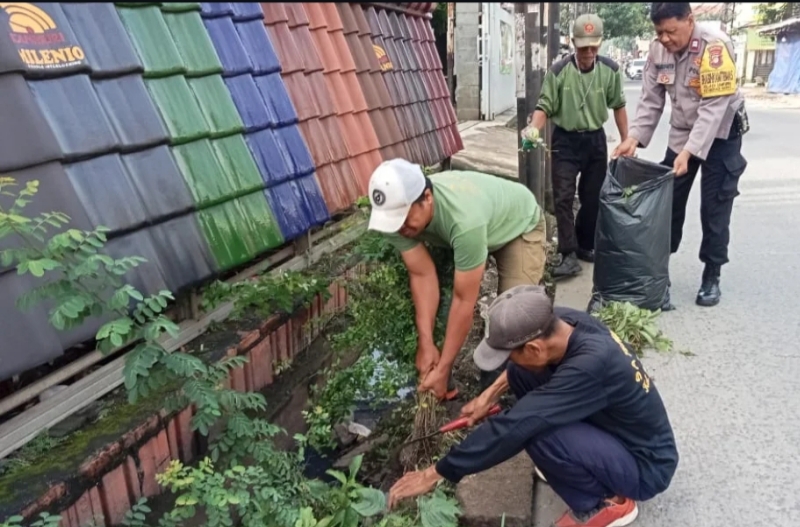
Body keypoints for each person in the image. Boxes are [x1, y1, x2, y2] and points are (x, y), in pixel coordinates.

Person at [387, 285, 679, 527]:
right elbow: (520, 371)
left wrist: (433, 473)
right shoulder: (562, 323)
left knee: (534, 430)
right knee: (524, 374)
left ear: (534, 347)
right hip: (614, 428)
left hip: (645, 467)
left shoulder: (591, 365)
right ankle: (569, 462)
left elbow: (514, 426)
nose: (507, 362)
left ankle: (604, 504)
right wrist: (487, 397)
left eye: (509, 355)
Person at [367, 158, 546, 399]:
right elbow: (422, 274)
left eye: (403, 218)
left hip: (519, 224)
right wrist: (426, 343)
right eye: (393, 220)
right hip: (480, 224)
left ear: (427, 198)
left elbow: (464, 301)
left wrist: (443, 368)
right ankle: (444, 379)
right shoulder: (392, 216)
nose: (399, 227)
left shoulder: (464, 221)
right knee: (442, 312)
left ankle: (499, 392)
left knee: (512, 319)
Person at [613, 2, 749, 308]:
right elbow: (651, 101)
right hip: (682, 132)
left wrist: (689, 153)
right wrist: (634, 137)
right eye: (658, 31)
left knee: (715, 207)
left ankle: (711, 274)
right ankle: (659, 273)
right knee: (667, 203)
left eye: (670, 31)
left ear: (690, 20)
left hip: (722, 134)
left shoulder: (715, 48)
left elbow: (713, 110)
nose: (664, 38)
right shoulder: (657, 51)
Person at [525, 14, 628, 280]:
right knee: (562, 197)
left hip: (595, 140)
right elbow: (543, 106)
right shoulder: (559, 71)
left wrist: (627, 140)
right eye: (583, 47)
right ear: (573, 43)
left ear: (600, 44)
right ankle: (568, 253)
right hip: (565, 141)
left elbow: (618, 106)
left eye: (594, 47)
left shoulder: (610, 70)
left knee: (593, 198)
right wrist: (533, 129)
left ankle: (584, 244)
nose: (588, 52)